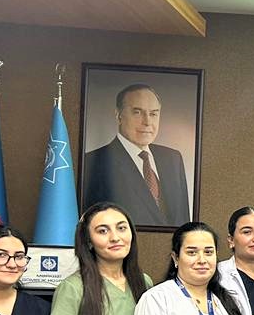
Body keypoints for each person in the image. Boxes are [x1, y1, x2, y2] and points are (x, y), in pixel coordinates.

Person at [82, 83, 191, 225]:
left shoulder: (173, 159)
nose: (147, 122)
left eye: (153, 114)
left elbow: (184, 222)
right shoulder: (93, 162)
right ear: (119, 115)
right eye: (137, 112)